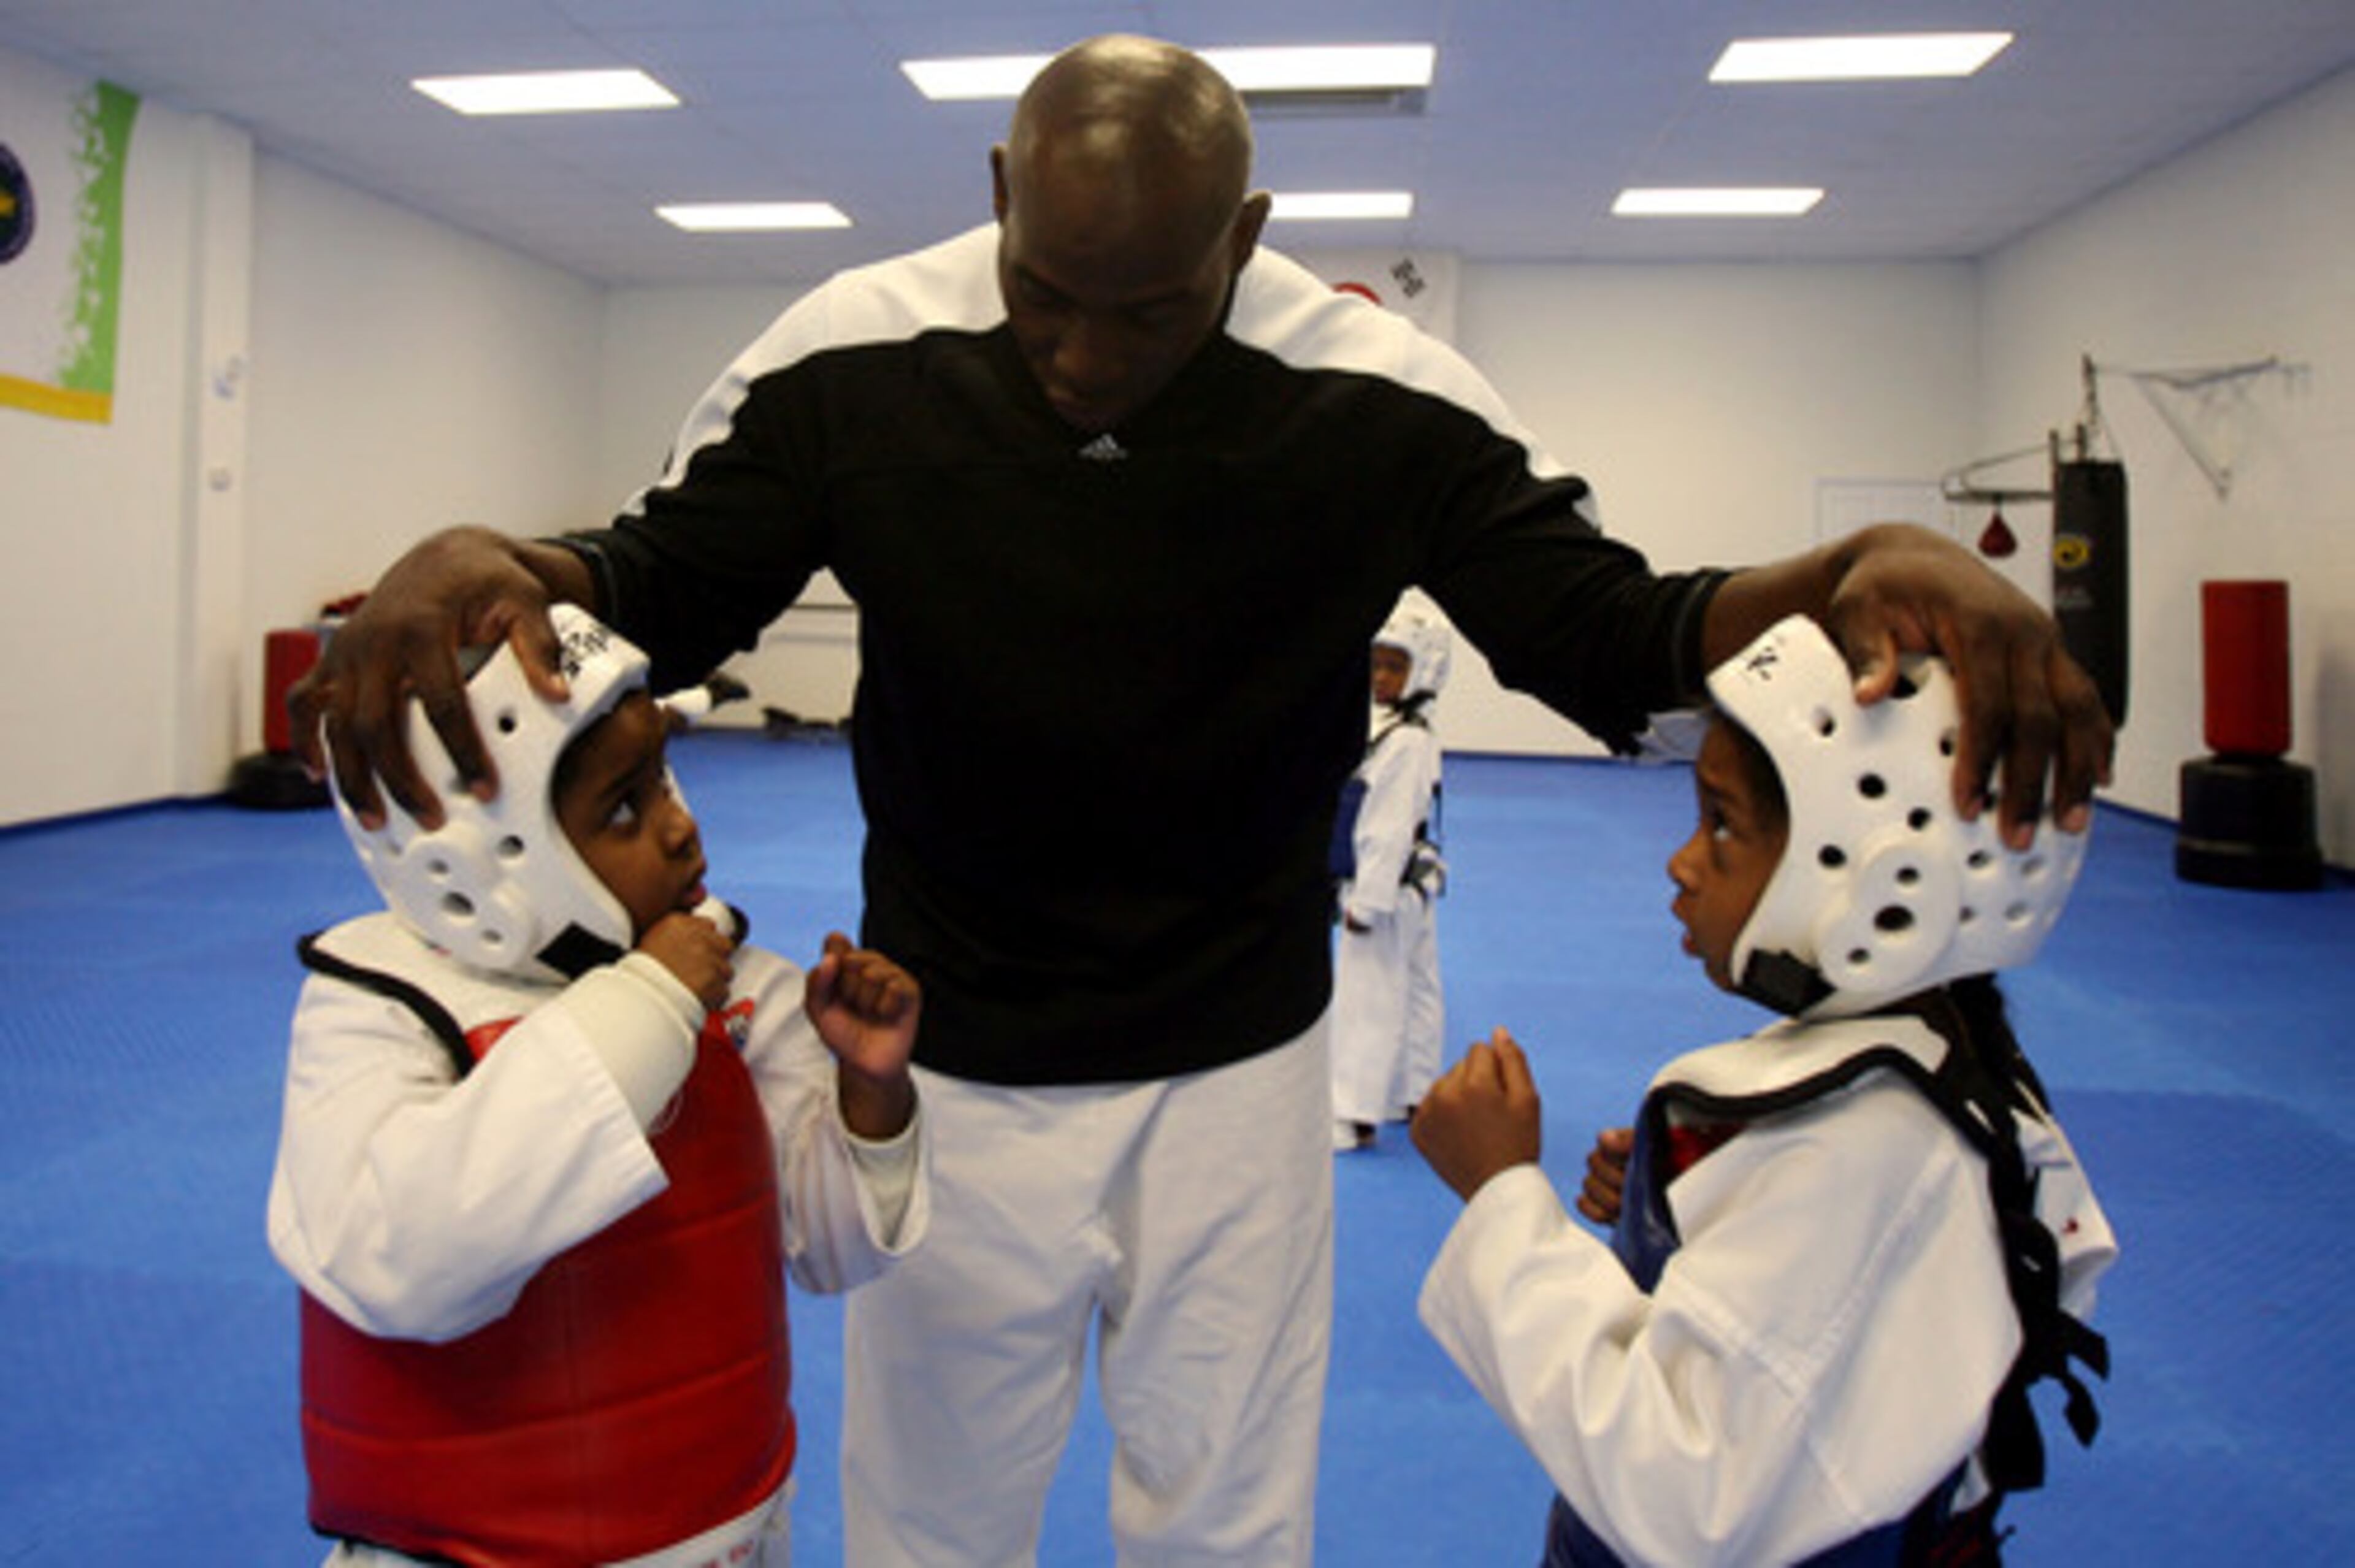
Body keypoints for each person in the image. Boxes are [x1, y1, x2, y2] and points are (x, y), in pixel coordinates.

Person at [286, 34, 2112, 1565]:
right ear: (1000, 192)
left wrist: (1862, 556)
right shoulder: (847, 360)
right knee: (932, 1524)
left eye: (1144, 310)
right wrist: (486, 551)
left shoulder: (1376, 396)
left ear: (1243, 235)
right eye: (1045, 297)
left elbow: (1610, 635)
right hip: (949, 1056)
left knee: (1227, 1521)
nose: (1081, 354)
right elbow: (658, 582)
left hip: (1242, 1066)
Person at [1412, 614, 2117, 1567]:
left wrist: (1502, 1199)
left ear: (1880, 889)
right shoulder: (1945, 1062)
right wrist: (1694, 1207)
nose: (1682, 862)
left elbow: (1681, 1491)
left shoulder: (1861, 1151)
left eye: (1723, 826)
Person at [266, 605, 929, 1567]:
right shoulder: (384, 1011)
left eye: (665, 776)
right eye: (626, 805)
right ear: (485, 856)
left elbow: (828, 1252)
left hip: (727, 1529)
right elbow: (396, 1259)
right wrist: (647, 1007)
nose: (679, 826)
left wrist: (873, 1099)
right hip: (473, 1548)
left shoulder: (730, 987)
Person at [1331, 605, 1452, 1152]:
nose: (1381, 678)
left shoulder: (1402, 742)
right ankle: (1414, 1090)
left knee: (1367, 998)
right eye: (1375, 665)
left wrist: (1368, 901)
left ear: (1424, 672)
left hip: (1387, 887)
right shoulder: (1408, 733)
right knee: (1417, 987)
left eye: (1394, 668)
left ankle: (1353, 1113)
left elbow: (1386, 829)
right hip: (1415, 887)